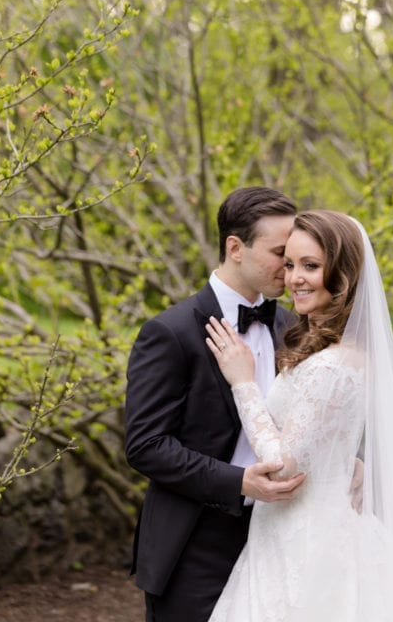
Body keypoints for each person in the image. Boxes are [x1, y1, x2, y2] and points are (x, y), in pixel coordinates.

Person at [205, 210, 393, 622]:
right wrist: (343, 461)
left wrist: (243, 383)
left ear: (342, 275)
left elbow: (284, 467)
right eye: (289, 264)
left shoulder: (332, 366)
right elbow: (321, 436)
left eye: (311, 266)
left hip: (310, 547)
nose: (294, 278)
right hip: (290, 533)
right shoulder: (329, 350)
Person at [124, 186, 305, 622]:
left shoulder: (291, 326)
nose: (290, 267)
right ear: (235, 247)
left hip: (282, 535)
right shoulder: (169, 333)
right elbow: (145, 445)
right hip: (194, 544)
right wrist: (238, 482)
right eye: (280, 252)